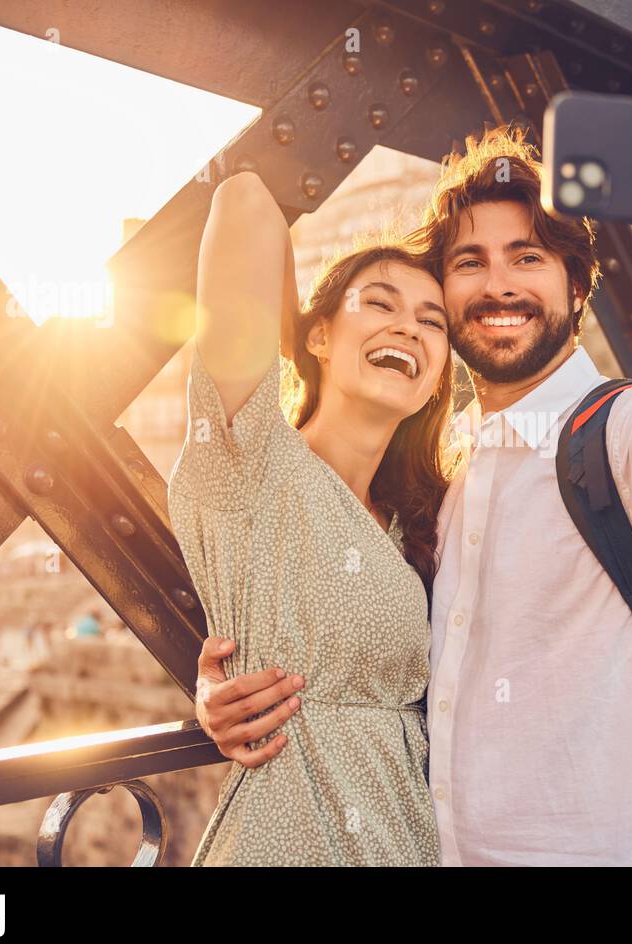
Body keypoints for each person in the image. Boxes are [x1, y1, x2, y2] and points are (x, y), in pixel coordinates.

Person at [195, 82, 632, 865]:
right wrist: (226, 689)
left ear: (576, 285)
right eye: (469, 263)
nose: (498, 284)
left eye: (526, 257)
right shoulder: (444, 484)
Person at [168, 170, 455, 865]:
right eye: (379, 303)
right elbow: (245, 202)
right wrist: (297, 342)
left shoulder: (417, 524)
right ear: (317, 335)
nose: (406, 327)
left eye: (431, 320)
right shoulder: (252, 456)